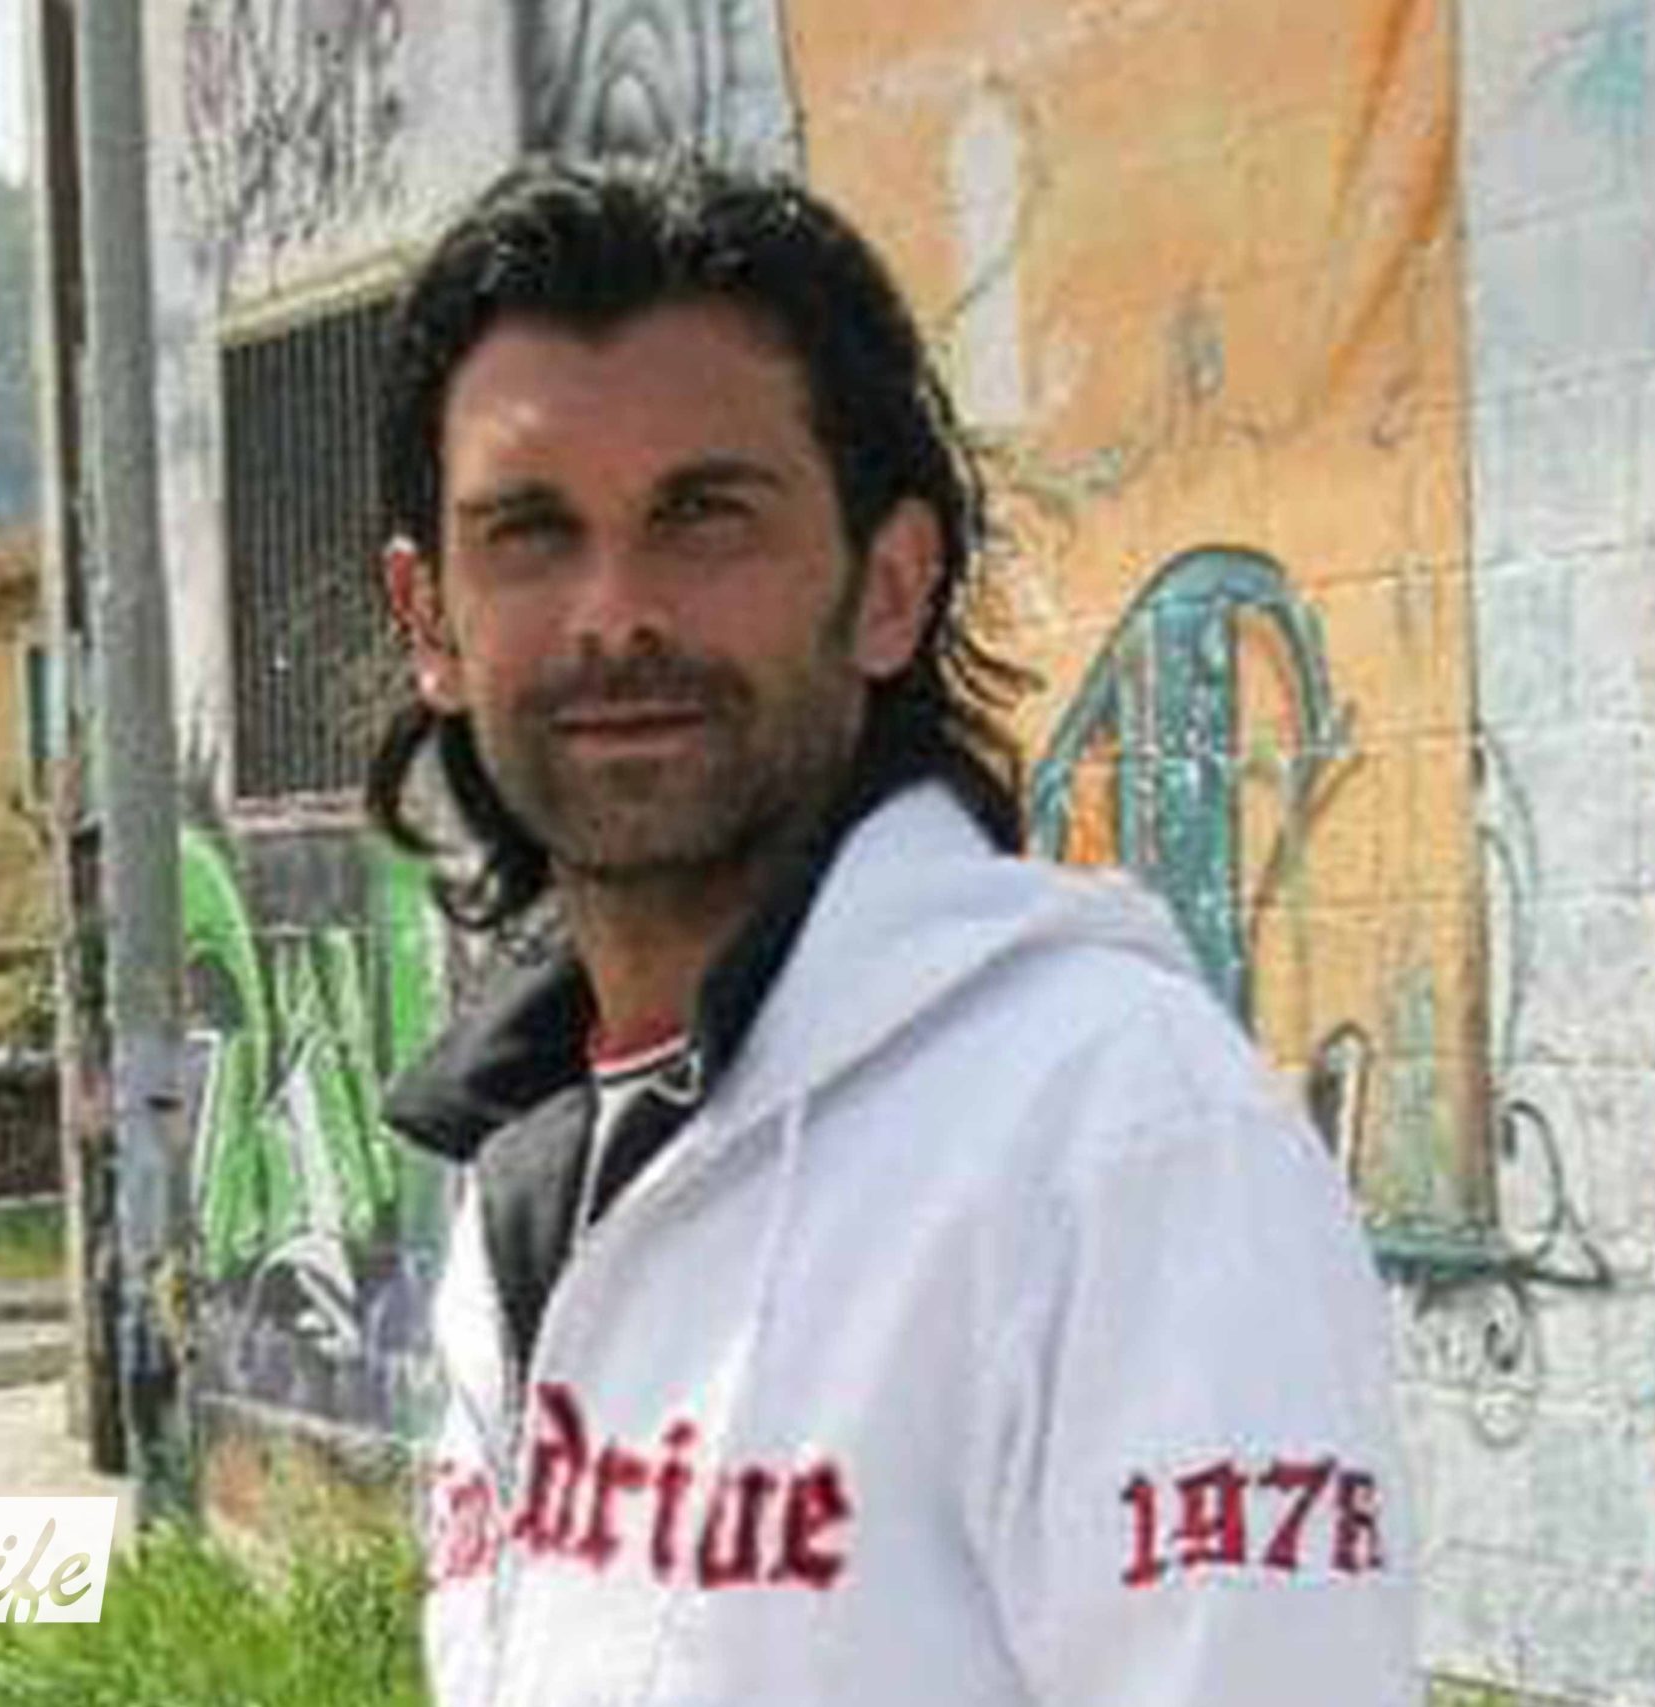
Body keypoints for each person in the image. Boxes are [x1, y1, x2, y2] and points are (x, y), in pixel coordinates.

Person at [371, 154, 1417, 1705]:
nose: (614, 613)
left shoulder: (1121, 1138)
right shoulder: (539, 1160)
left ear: (891, 584)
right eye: (530, 531)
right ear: (432, 623)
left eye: (704, 518)